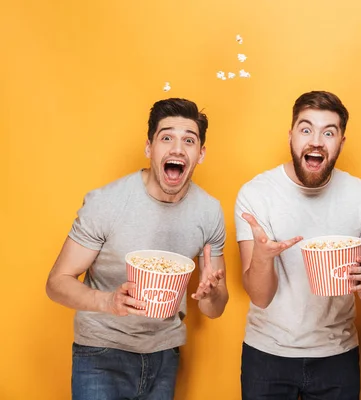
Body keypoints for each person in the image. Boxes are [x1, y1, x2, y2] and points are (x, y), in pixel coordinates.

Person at [46, 98, 229, 400]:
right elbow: (56, 283)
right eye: (166, 137)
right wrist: (108, 302)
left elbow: (214, 309)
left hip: (164, 355)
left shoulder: (209, 212)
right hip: (101, 354)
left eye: (189, 140)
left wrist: (211, 294)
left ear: (201, 154)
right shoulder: (106, 203)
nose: (177, 149)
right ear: (149, 148)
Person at [234, 90, 361, 399]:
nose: (316, 141)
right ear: (290, 136)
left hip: (338, 355)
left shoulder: (360, 196)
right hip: (267, 354)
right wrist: (264, 257)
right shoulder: (256, 194)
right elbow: (260, 297)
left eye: (328, 132)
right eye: (306, 129)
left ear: (341, 142)